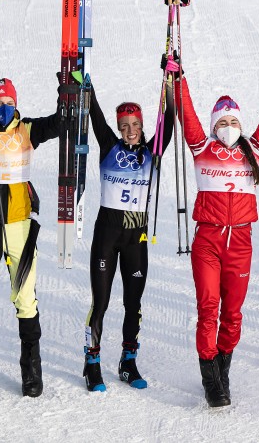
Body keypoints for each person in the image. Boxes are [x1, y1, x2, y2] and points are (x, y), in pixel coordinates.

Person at [173, 58, 259, 408]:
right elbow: (186, 113)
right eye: (223, 122)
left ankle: (223, 370)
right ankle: (211, 382)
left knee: (233, 313)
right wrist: (178, 78)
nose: (229, 126)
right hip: (207, 240)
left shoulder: (254, 150)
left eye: (234, 121)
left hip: (241, 242)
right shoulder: (202, 147)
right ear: (213, 126)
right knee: (208, 308)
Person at [0, 76, 62, 397]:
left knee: (25, 297)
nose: (4, 109)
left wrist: (67, 93)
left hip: (20, 225)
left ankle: (31, 367)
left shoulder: (26, 130)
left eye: (9, 103)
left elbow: (60, 122)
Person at [81, 88, 165, 392]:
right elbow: (96, 117)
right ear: (119, 129)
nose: (130, 131)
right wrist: (85, 86)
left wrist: (171, 82)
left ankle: (128, 362)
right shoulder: (109, 146)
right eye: (125, 125)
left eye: (136, 125)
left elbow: (168, 121)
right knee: (100, 302)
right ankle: (92, 363)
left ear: (142, 126)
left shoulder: (152, 151)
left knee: (133, 302)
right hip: (107, 233)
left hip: (135, 235)